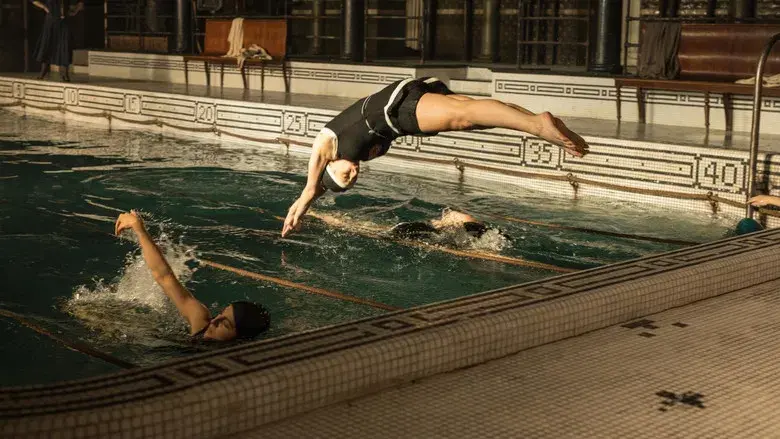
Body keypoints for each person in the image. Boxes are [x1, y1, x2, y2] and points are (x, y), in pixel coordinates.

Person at [281, 77, 590, 238]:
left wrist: (304, 203)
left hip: (395, 108)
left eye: (344, 176)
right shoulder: (359, 154)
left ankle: (538, 126)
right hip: (403, 102)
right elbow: (328, 180)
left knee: (464, 116)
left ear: (330, 165)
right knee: (473, 113)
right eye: (352, 180)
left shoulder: (327, 145)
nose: (353, 174)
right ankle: (537, 119)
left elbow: (312, 185)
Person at [114, 210, 270, 342]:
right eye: (221, 314)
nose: (214, 321)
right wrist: (140, 229)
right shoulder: (201, 321)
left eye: (225, 324)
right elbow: (165, 277)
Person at [30, 0, 84, 82]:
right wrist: (44, 7)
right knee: (47, 44)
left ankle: (65, 73)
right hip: (51, 20)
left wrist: (75, 11)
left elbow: (80, 2)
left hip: (64, 22)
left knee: (64, 46)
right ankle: (43, 71)